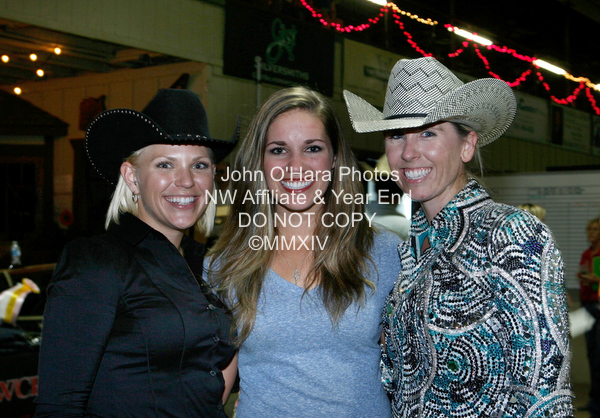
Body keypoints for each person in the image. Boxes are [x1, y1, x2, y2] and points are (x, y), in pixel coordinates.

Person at [344, 57, 572, 417]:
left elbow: (546, 395)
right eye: (396, 134)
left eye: (428, 133)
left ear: (467, 145)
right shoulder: (409, 246)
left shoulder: (510, 232)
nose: (408, 152)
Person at [35, 89, 238, 417]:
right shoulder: (97, 261)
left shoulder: (208, 265)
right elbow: (59, 406)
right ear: (132, 177)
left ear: (212, 176)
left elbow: (208, 376)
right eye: (165, 164)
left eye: (199, 165)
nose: (186, 181)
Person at [207, 86, 401, 417]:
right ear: (259, 162)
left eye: (312, 148)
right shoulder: (224, 265)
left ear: (335, 159)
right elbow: (212, 387)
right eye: (278, 150)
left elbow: (411, 368)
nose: (295, 166)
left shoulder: (385, 253)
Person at [578, 218, 600, 416]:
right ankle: (594, 400)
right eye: (589, 229)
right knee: (591, 354)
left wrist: (597, 280)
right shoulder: (587, 253)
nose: (591, 232)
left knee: (599, 356)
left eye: (595, 229)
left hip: (598, 306)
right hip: (586, 306)